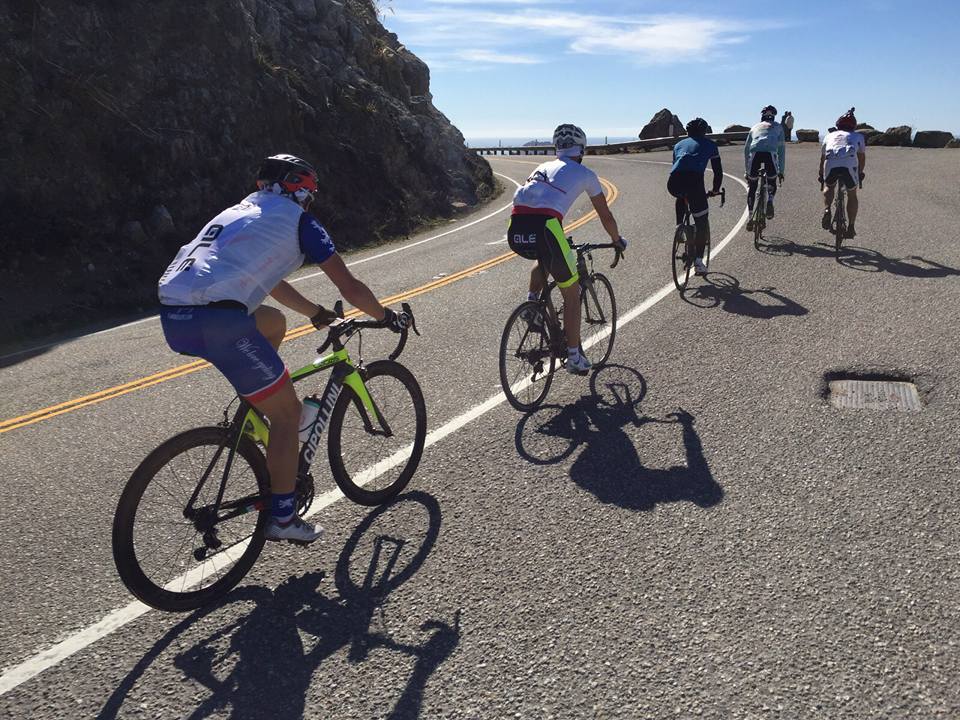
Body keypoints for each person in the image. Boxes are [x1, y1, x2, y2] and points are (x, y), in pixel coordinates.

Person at [157, 154, 410, 544]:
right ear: (301, 191)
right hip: (218, 321)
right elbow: (350, 286)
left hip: (176, 317)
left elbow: (268, 282)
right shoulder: (299, 222)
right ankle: (282, 516)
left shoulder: (243, 212)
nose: (311, 201)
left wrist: (315, 312)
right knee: (289, 414)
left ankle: (259, 411)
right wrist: (387, 316)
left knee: (274, 322)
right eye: (310, 193)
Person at [507, 124, 627, 374]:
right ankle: (574, 357)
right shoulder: (585, 174)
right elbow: (605, 215)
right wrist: (616, 239)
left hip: (515, 226)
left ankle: (531, 305)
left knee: (543, 258)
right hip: (547, 227)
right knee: (571, 293)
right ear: (582, 148)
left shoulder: (541, 167)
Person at [667, 118, 723, 275]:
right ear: (704, 131)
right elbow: (717, 172)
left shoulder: (678, 145)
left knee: (681, 197)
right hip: (694, 183)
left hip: (673, 182)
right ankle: (699, 262)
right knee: (701, 222)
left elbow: (676, 167)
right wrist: (715, 190)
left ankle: (680, 227)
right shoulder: (711, 145)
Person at [819, 108, 866, 238]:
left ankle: (827, 209)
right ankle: (851, 227)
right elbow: (861, 157)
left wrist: (820, 174)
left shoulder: (829, 136)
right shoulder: (858, 136)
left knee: (829, 186)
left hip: (831, 164)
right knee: (852, 194)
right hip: (849, 166)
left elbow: (823, 158)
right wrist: (860, 172)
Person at [743, 105, 786, 230]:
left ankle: (750, 217)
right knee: (772, 179)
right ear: (774, 116)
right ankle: (770, 201)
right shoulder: (778, 126)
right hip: (769, 153)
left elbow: (746, 149)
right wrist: (781, 171)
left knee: (752, 186)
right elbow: (781, 150)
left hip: (755, 153)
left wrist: (747, 170)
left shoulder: (755, 127)